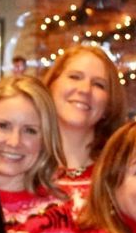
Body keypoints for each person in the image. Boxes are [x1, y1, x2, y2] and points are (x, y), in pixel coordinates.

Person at [0, 75, 77, 233]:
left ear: (46, 140)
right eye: (3, 126)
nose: (14, 142)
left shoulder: (57, 214)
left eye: (30, 130)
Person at [42, 45, 126, 215]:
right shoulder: (22, 167)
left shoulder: (120, 173)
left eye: (99, 85)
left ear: (109, 104)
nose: (85, 90)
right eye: (75, 77)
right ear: (51, 86)